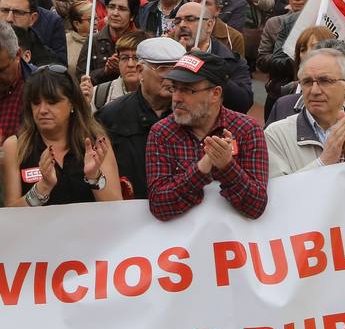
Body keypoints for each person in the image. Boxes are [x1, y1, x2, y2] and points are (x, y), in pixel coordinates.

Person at [146, 51, 268, 221]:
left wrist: (227, 166)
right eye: (175, 88)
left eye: (187, 90)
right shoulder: (162, 132)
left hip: (229, 243)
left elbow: (256, 206)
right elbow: (158, 206)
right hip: (182, 244)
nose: (176, 98)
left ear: (215, 93)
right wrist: (201, 169)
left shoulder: (247, 129)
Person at [1, 65, 122, 207]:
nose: (43, 110)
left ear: (72, 103)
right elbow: (11, 215)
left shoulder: (97, 142)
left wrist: (94, 177)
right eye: (36, 103)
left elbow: (115, 208)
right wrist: (42, 188)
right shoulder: (15, 146)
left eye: (52, 102)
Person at [264, 48, 345, 177]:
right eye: (307, 82)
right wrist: (324, 161)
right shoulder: (275, 136)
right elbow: (279, 194)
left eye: (325, 81)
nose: (314, 91)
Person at [97, 36, 184, 198]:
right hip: (128, 213)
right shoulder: (110, 116)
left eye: (178, 69)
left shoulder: (192, 115)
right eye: (163, 68)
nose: (172, 77)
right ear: (139, 70)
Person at [91, 29, 147, 109]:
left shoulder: (161, 97)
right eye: (124, 58)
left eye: (136, 58)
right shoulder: (98, 95)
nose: (130, 64)